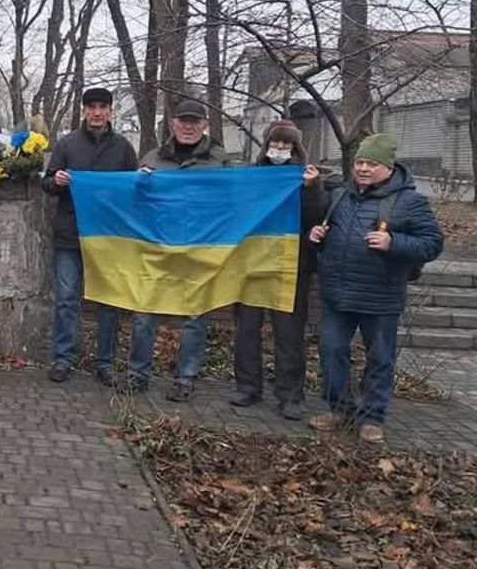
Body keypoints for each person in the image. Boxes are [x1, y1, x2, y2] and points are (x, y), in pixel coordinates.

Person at [307, 133, 443, 443]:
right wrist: (315, 237)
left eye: (371, 163)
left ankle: (373, 418)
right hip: (338, 294)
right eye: (359, 162)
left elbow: (433, 244)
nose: (363, 169)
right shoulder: (340, 196)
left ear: (388, 167)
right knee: (331, 353)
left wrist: (393, 242)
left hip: (380, 296)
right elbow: (327, 238)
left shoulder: (410, 202)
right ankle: (339, 410)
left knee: (380, 359)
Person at [125, 99, 232, 400]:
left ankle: (185, 378)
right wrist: (139, 184)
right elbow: (135, 203)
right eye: (183, 120)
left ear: (204, 125)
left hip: (201, 248)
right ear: (172, 123)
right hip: (158, 247)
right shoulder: (153, 158)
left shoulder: (220, 161)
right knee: (144, 314)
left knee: (195, 318)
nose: (188, 126)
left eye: (194, 121)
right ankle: (137, 375)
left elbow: (231, 203)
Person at [230, 120, 327, 419]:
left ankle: (290, 395)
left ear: (296, 147)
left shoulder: (307, 178)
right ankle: (247, 387)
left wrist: (312, 189)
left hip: (290, 266)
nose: (281, 148)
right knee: (247, 330)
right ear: (267, 145)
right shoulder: (253, 177)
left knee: (288, 333)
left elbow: (318, 217)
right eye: (276, 143)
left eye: (287, 144)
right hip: (252, 264)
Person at [41, 87, 138, 385]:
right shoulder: (67, 144)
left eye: (102, 107)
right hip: (70, 234)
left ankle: (105, 363)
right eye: (91, 107)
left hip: (109, 237)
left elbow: (133, 188)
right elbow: (46, 183)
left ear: (110, 111)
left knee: (108, 301)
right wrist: (55, 181)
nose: (97, 112)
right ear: (83, 110)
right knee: (67, 299)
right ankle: (63, 358)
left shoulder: (123, 147)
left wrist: (143, 180)